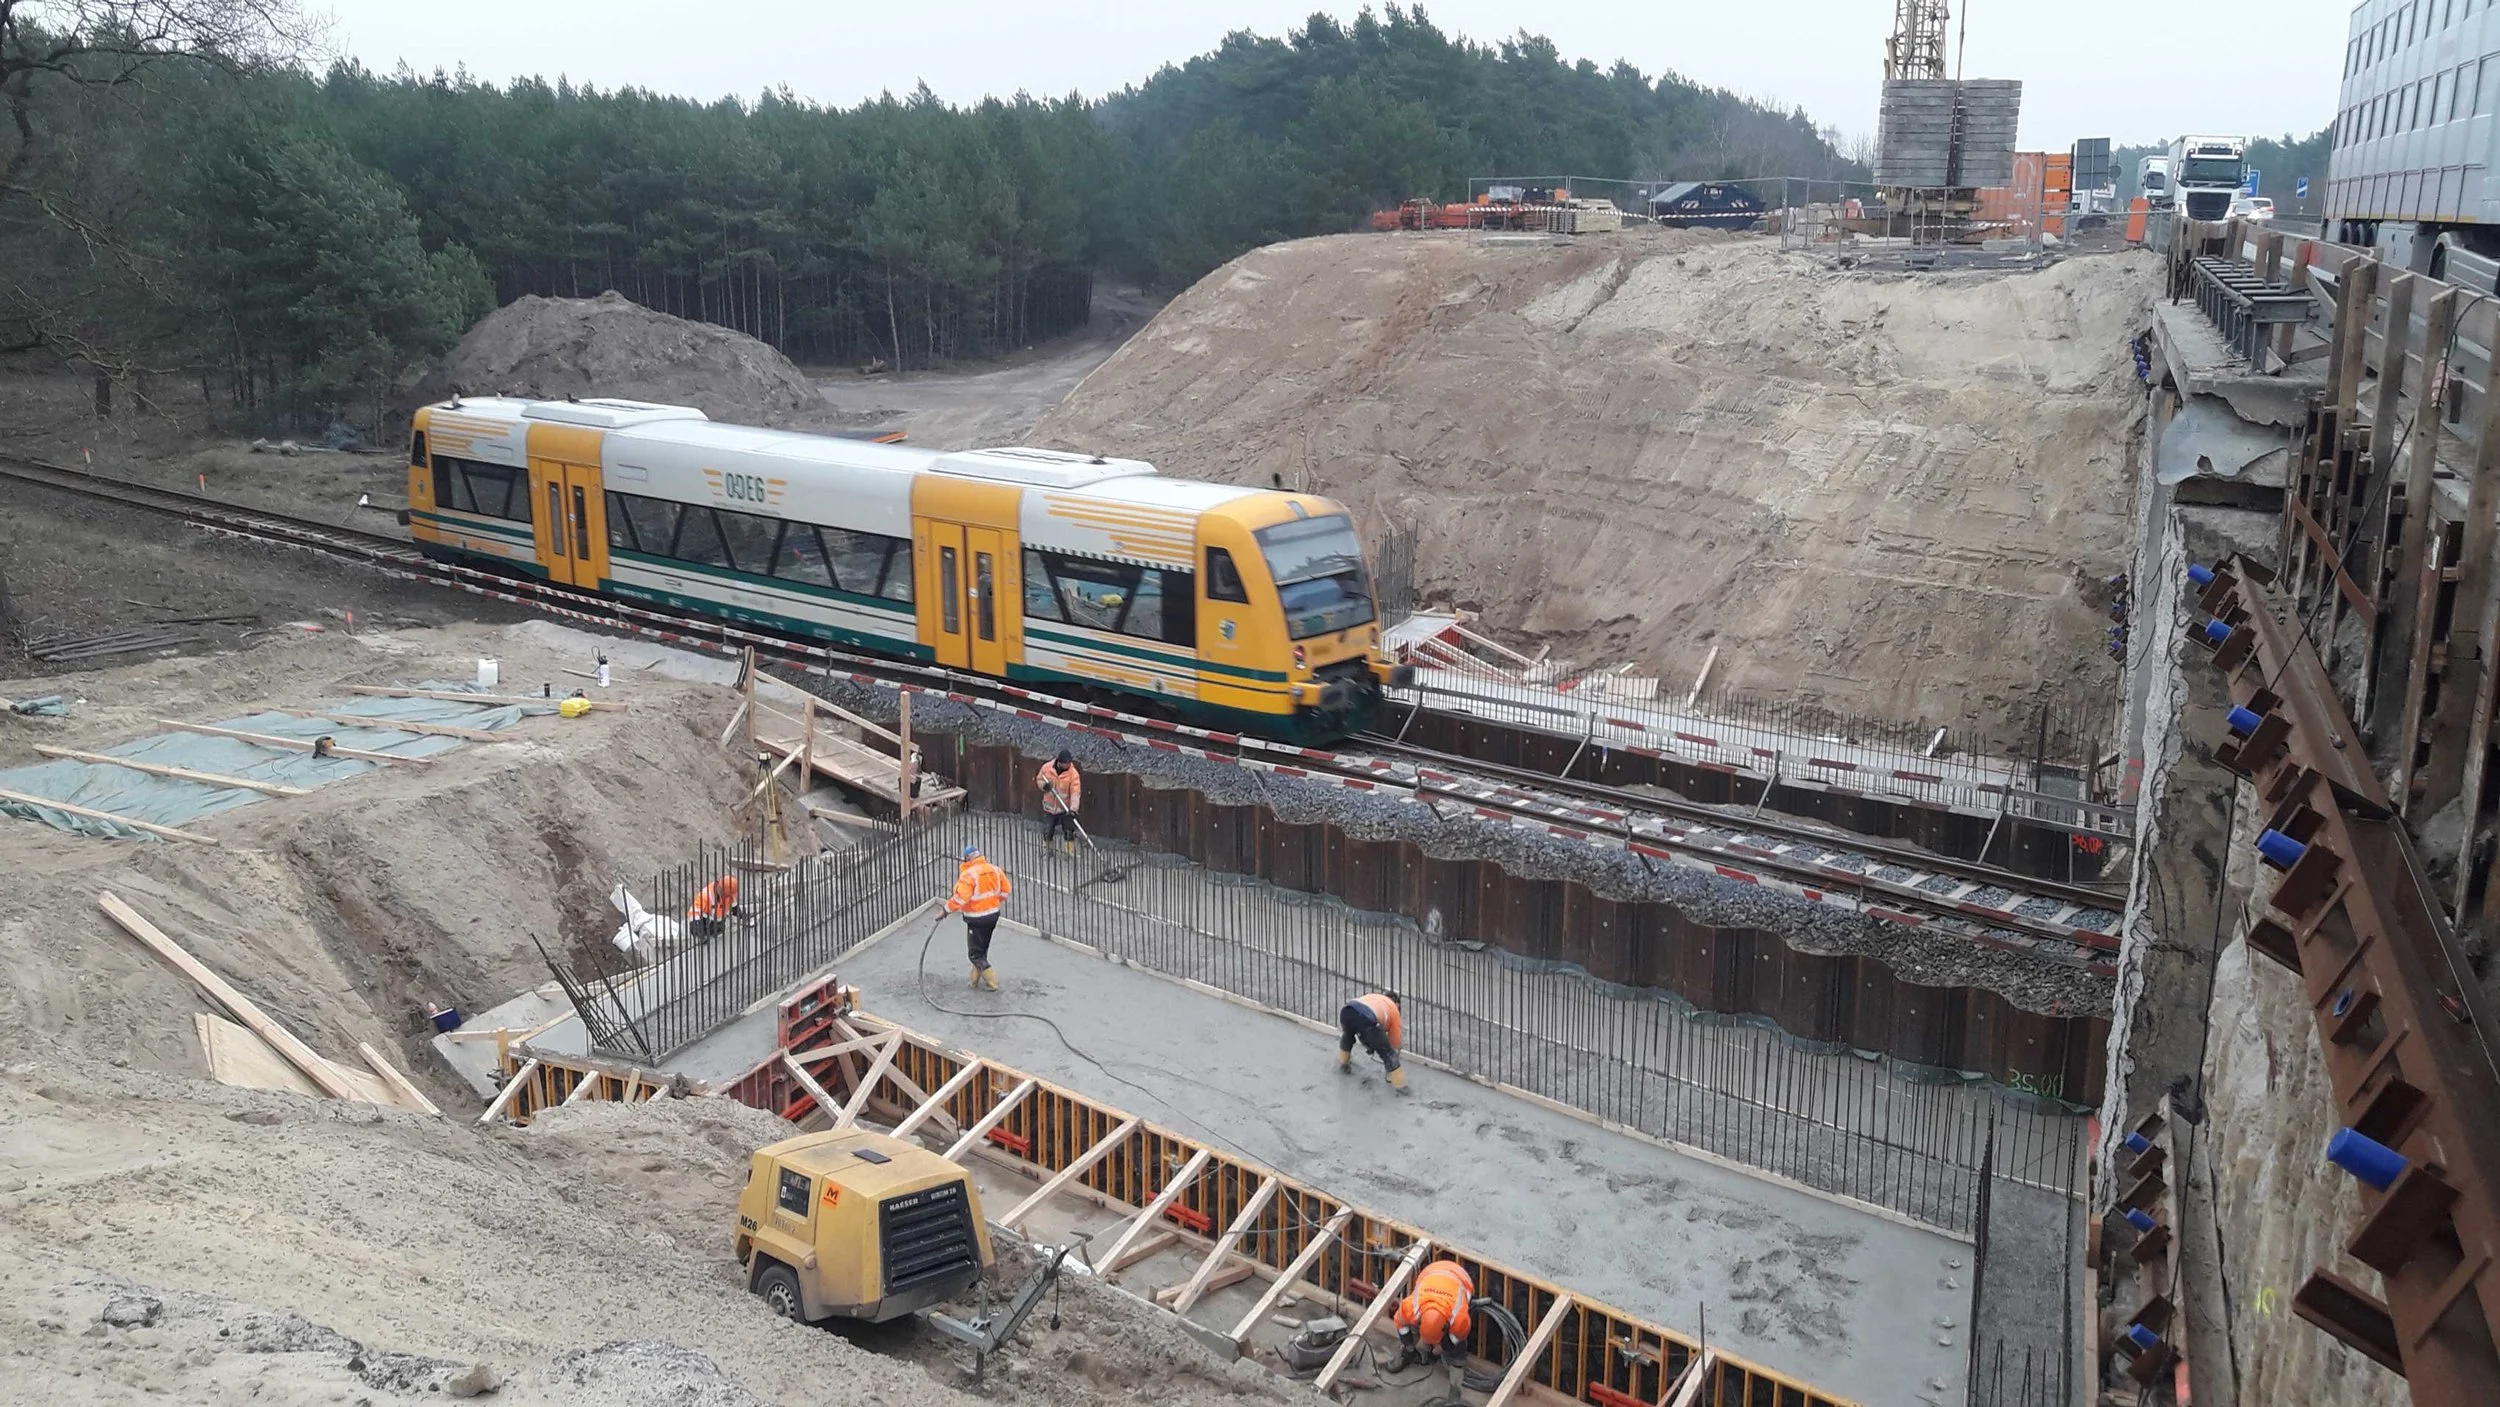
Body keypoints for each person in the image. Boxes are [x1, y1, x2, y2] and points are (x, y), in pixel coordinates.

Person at [1393, 1258, 1475, 1391]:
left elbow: (1457, 1337)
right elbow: (1400, 1324)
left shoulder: (1459, 1318)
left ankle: (1456, 1373)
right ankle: (1408, 1353)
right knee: (1410, 1331)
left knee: (1458, 1346)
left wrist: (1441, 1348)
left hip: (1462, 1278)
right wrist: (1409, 1345)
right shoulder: (1409, 1307)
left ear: (1446, 1327)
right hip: (1430, 1272)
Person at [946, 844, 1012, 990]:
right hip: (993, 916)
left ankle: (992, 982)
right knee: (981, 949)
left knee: (975, 954)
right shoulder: (995, 870)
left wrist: (945, 910)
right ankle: (973, 980)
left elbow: (961, 898)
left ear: (966, 858)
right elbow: (1005, 891)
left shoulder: (968, 875)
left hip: (976, 918)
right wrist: (992, 903)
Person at [1337, 990, 1406, 1090]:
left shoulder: (1374, 997)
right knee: (1388, 1053)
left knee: (1348, 1035)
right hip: (1367, 1017)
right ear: (1397, 1004)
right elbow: (1394, 1043)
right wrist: (1391, 1060)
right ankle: (1400, 1085)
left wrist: (1373, 1042)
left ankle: (1343, 1064)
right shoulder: (1393, 1009)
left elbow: (1360, 1022)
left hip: (1347, 1010)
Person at [1037, 750, 1082, 852]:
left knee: (1069, 832)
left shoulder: (1073, 774)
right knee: (1048, 830)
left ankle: (1069, 853)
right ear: (1059, 762)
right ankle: (1048, 851)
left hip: (1065, 809)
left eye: (1069, 763)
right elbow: (1039, 779)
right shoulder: (1047, 768)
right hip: (1049, 807)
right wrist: (1044, 786)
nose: (1068, 766)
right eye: (1066, 764)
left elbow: (1075, 793)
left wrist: (1073, 810)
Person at [688, 873, 739, 941]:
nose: (730, 897)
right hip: (705, 926)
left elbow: (733, 904)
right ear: (722, 892)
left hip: (718, 927)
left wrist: (740, 914)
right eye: (728, 896)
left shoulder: (728, 892)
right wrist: (697, 928)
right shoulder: (705, 896)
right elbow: (693, 912)